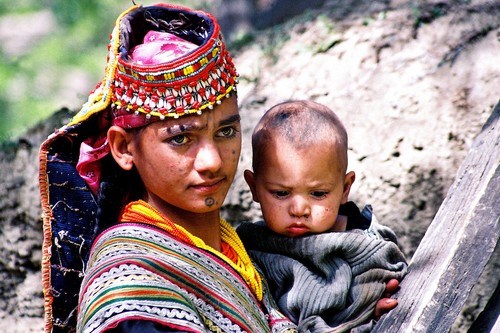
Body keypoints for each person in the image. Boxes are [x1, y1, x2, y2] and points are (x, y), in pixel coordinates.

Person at [38, 4, 399, 333]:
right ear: (123, 148)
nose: (212, 161)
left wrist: (354, 316)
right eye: (181, 139)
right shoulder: (133, 291)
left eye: (226, 131)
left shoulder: (241, 251)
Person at [237, 100, 408, 332]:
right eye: (281, 193)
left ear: (345, 188)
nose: (299, 209)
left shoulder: (364, 241)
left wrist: (369, 312)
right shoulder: (250, 250)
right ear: (254, 187)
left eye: (318, 194)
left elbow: (377, 290)